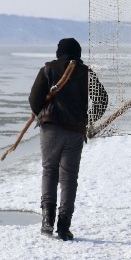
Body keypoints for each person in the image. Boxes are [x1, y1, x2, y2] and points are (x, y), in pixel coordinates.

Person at [29, 38, 108, 241]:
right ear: (78, 54)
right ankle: (64, 226)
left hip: (51, 130)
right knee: (69, 179)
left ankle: (47, 220)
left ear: (59, 53)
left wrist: (41, 112)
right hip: (75, 132)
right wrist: (89, 119)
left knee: (49, 172)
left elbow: (33, 99)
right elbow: (102, 99)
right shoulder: (86, 73)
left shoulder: (48, 70)